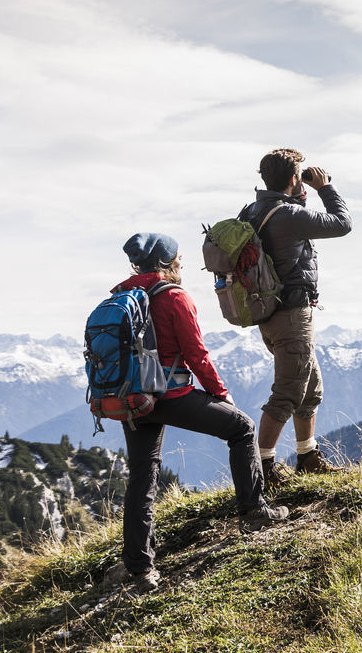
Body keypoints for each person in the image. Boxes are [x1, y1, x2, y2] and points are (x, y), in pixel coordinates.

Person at [106, 232, 288, 592]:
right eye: (177, 258)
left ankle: (139, 567)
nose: (182, 264)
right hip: (172, 396)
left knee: (143, 475)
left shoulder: (121, 296)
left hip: (134, 400)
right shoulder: (173, 297)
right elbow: (196, 354)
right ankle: (254, 511)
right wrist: (221, 394)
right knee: (242, 428)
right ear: (166, 263)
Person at [240, 148, 352, 490]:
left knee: (310, 387)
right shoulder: (286, 214)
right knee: (288, 392)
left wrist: (298, 194)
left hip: (271, 312)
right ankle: (263, 469)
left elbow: (288, 231)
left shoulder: (254, 210)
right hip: (291, 314)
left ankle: (307, 457)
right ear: (293, 178)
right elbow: (342, 224)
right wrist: (325, 189)